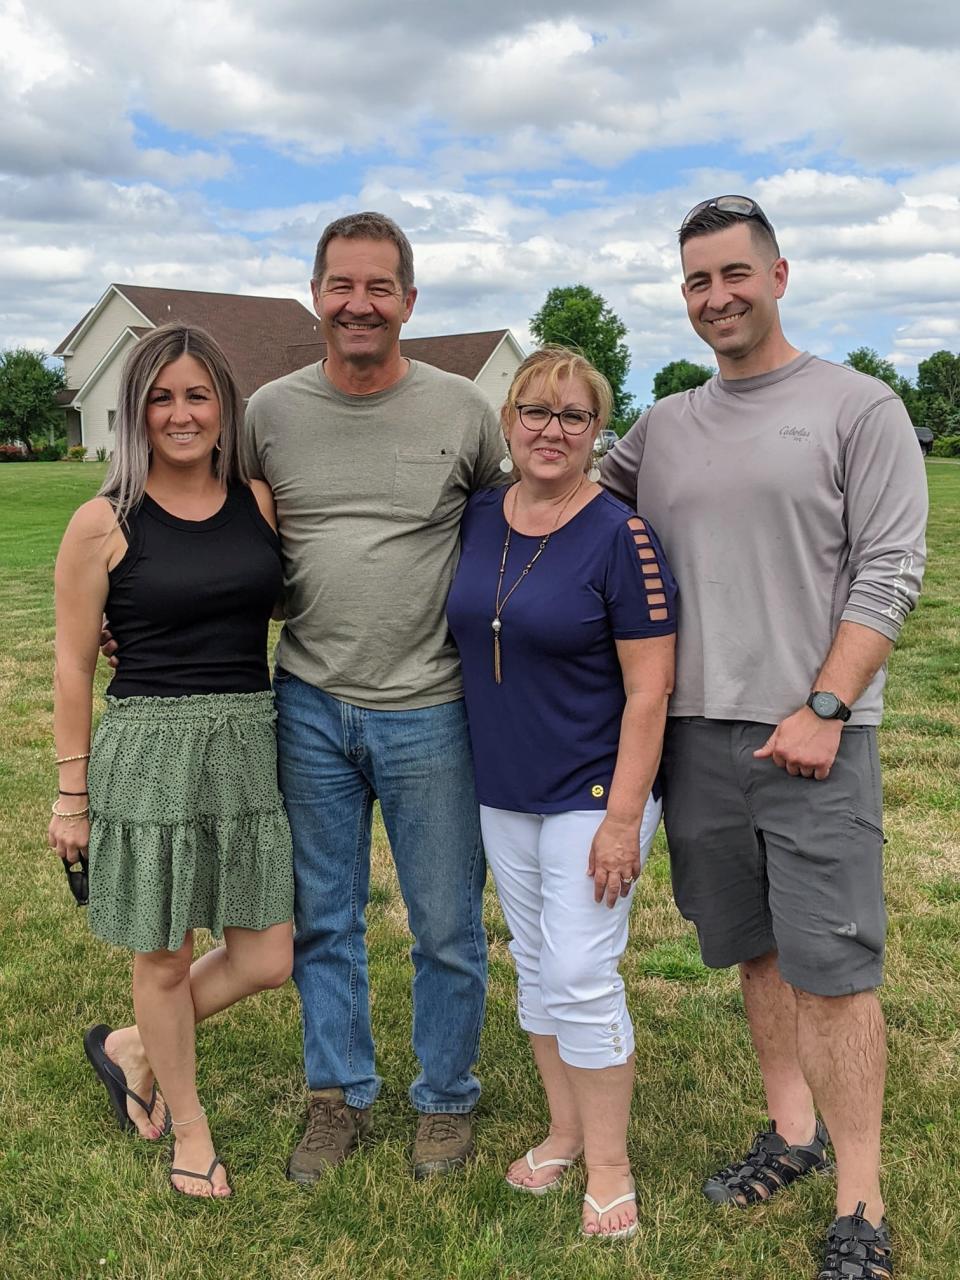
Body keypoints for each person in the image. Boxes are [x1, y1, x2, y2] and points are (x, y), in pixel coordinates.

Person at [602, 195, 927, 1279]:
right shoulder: (664, 427)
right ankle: (791, 1131)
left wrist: (826, 706)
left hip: (814, 735)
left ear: (779, 275)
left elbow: (890, 571)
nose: (715, 297)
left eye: (734, 273)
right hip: (697, 734)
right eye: (696, 280)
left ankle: (862, 1199)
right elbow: (574, 511)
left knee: (834, 968)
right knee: (756, 946)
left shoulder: (856, 405)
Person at [243, 212, 507, 1182]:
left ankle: (444, 1098)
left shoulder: (462, 411)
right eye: (342, 285)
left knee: (446, 922)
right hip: (307, 697)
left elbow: (516, 519)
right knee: (326, 916)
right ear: (316, 293)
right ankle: (338, 1095)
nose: (360, 303)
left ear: (409, 299)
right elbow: (223, 527)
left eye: (379, 286)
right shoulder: (269, 411)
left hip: (431, 704)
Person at [49, 324, 295, 1199]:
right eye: (162, 397)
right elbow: (73, 666)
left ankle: (128, 1046)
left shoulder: (257, 502)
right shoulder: (103, 522)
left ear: (224, 407)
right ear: (135, 410)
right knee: (161, 953)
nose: (181, 414)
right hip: (149, 745)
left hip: (245, 743)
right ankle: (190, 1131)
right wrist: (71, 796)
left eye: (197, 396)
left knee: (267, 954)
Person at [447, 347, 677, 1238]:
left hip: (592, 791)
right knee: (536, 968)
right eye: (536, 412)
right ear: (508, 421)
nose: (552, 431)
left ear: (596, 432)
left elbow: (651, 691)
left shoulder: (623, 536)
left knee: (582, 971)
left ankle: (611, 1167)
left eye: (573, 417)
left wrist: (624, 819)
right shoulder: (477, 518)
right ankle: (564, 1130)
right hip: (503, 787)